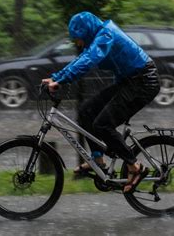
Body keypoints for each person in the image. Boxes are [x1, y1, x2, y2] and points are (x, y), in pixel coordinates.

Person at [42, 11, 160, 193]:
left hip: (143, 82)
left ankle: (135, 166)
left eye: (79, 38)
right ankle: (98, 162)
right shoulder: (98, 36)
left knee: (103, 125)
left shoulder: (106, 34)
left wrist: (61, 80)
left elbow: (89, 59)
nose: (78, 43)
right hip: (129, 81)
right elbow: (83, 57)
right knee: (86, 111)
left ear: (87, 31)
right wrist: (57, 77)